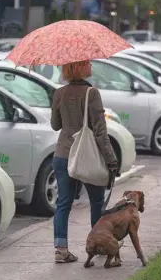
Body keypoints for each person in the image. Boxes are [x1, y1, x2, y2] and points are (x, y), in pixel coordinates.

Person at [50, 60, 119, 263]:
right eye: (87, 63)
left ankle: (61, 250)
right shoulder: (92, 93)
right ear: (80, 67)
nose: (91, 66)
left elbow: (55, 125)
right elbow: (100, 131)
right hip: (87, 156)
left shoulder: (59, 93)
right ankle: (98, 244)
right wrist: (111, 160)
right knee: (97, 202)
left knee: (63, 202)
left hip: (63, 154)